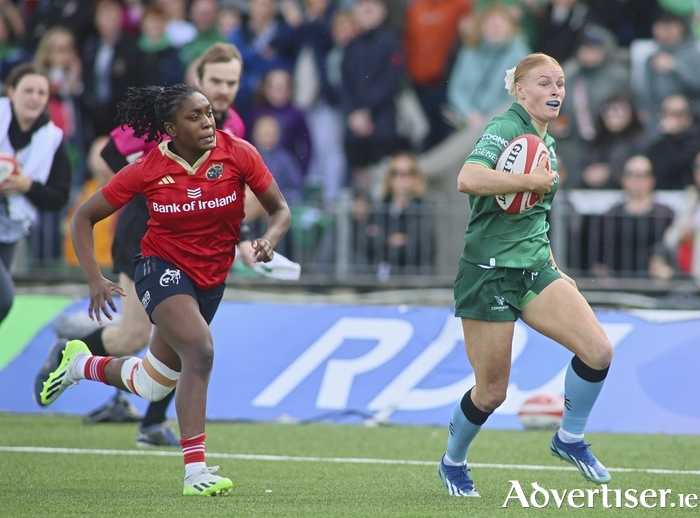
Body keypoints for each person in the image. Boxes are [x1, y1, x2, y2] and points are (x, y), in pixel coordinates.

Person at [37, 83, 291, 496]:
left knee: (153, 384)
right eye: (195, 116)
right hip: (160, 269)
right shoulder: (148, 167)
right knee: (202, 350)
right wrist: (94, 278)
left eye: (208, 112)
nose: (208, 121)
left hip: (212, 279)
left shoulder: (239, 152)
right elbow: (83, 217)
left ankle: (79, 364)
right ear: (169, 127)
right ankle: (196, 472)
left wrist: (269, 240)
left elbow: (280, 209)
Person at [34, 42, 249, 445]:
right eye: (216, 81)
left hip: (200, 247)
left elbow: (231, 186)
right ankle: (74, 351)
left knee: (187, 341)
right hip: (146, 235)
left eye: (232, 82)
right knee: (136, 338)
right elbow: (110, 151)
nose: (223, 90)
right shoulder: (165, 114)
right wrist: (149, 187)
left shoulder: (233, 125)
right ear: (198, 78)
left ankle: (150, 422)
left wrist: (247, 238)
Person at [438, 53, 613, 497]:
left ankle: (568, 438)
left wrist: (555, 267)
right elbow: (468, 177)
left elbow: (534, 217)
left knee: (598, 351)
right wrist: (529, 183)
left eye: (560, 83)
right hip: (489, 273)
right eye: (543, 83)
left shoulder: (546, 141)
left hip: (535, 269)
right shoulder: (504, 128)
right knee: (491, 393)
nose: (555, 90)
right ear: (519, 90)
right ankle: (453, 461)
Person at [0, 63, 71, 326]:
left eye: (42, 93)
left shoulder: (52, 139)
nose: (35, 98)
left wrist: (27, 185)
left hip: (10, 231)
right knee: (4, 299)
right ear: (11, 91)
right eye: (28, 90)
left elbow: (59, 196)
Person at [592, 155, 675, 278]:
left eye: (642, 174)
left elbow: (674, 252)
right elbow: (597, 256)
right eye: (631, 174)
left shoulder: (666, 215)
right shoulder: (611, 216)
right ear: (623, 179)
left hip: (656, 287)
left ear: (652, 179)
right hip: (617, 285)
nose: (636, 180)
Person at [363, 151, 435, 276]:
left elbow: (420, 246)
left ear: (416, 176)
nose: (403, 179)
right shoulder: (380, 206)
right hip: (379, 276)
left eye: (409, 173)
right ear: (389, 177)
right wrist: (391, 241)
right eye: (396, 173)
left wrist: (386, 242)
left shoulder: (422, 207)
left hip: (413, 277)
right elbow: (367, 242)